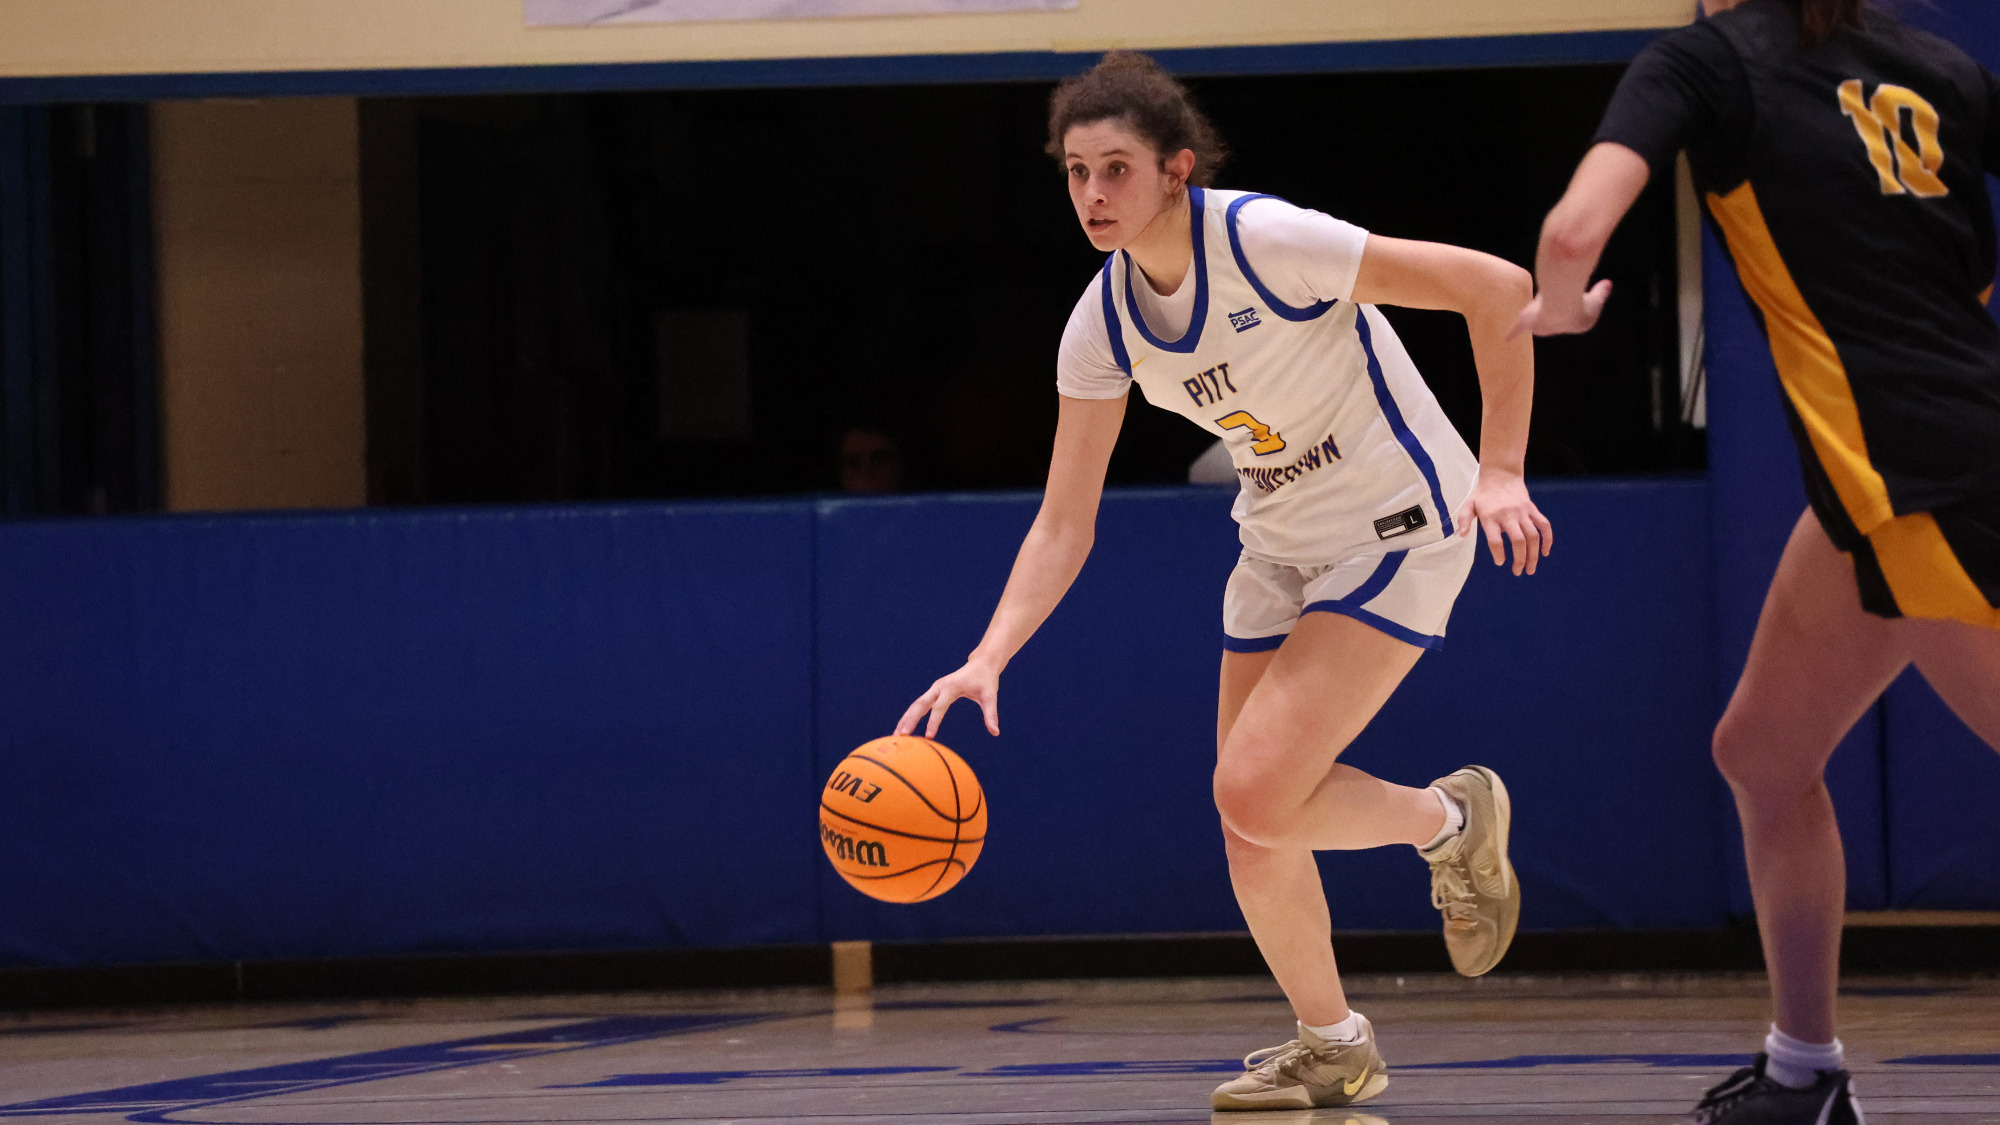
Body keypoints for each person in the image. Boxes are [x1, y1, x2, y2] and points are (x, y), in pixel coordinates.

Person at [895, 52, 1553, 1111]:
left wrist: (1503, 469)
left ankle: (1448, 821)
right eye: (1076, 172)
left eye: (1116, 168)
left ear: (1176, 170)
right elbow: (1064, 522)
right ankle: (1333, 1042)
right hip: (1276, 544)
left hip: (1396, 526)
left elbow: (1498, 288)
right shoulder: (1101, 325)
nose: (1093, 193)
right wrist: (988, 653)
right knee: (1248, 820)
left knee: (1250, 790)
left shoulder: (1265, 241)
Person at [1517, 1, 2000, 1122]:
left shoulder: (1701, 62)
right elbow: (1970, 270)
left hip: (1908, 476)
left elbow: (1573, 232)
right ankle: (1802, 1074)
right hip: (1897, 467)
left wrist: (1557, 308)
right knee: (1763, 754)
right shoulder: (1935, 65)